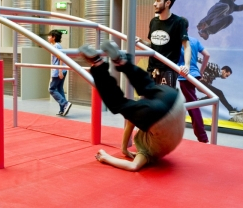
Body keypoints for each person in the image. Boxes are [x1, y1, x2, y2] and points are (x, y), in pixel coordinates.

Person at [79, 41, 186, 172]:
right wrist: (106, 157)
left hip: (174, 98)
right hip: (163, 115)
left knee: (147, 86)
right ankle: (98, 63)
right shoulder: (149, 152)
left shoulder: (151, 145)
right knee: (118, 104)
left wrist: (123, 149)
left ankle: (122, 62)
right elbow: (133, 165)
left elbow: (131, 123)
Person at [136, 0, 190, 88]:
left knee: (164, 102)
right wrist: (141, 41)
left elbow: (186, 46)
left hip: (168, 70)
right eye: (155, 0)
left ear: (167, 3)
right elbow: (153, 46)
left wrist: (187, 66)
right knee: (148, 101)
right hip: (151, 70)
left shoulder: (178, 22)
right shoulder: (153, 21)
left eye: (158, 1)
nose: (154, 4)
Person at [178, 36, 210, 143]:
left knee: (193, 106)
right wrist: (200, 72)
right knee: (192, 105)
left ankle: (203, 138)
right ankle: (202, 137)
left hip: (184, 74)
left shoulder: (177, 39)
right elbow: (207, 55)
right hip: (194, 74)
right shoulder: (195, 40)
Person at [47, 29, 72, 116]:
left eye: (49, 36)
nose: (48, 37)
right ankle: (63, 110)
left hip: (58, 70)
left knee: (52, 89)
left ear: (53, 37)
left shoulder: (57, 46)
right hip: (60, 70)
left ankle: (65, 103)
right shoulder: (54, 45)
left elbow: (61, 57)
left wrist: (60, 71)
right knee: (60, 89)